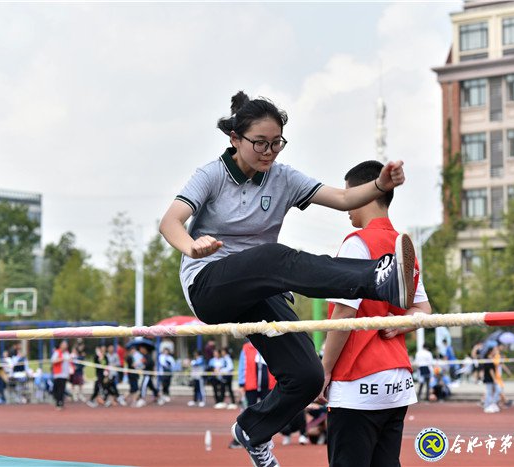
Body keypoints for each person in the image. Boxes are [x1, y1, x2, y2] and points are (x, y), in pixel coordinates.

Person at [159, 92, 414, 467]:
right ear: (235, 139)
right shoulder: (211, 175)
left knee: (307, 375)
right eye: (260, 143)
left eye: (276, 143)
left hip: (261, 287)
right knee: (273, 258)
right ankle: (377, 279)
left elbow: (343, 197)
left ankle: (253, 430)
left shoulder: (283, 177)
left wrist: (380, 185)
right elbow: (170, 222)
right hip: (211, 284)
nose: (269, 152)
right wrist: (192, 246)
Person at [318, 160, 431, 467]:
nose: (346, 207)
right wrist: (399, 325)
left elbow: (344, 316)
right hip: (397, 385)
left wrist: (324, 371)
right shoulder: (401, 244)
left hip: (357, 380)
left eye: (348, 196)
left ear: (364, 193)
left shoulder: (356, 244)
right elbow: (423, 310)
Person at [51, 340, 71, 410]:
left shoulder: (67, 353)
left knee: (62, 389)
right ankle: (58, 401)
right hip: (58, 374)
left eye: (66, 344)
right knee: (56, 389)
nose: (65, 346)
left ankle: (60, 403)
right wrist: (61, 359)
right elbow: (53, 361)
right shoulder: (57, 352)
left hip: (64, 374)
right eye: (63, 344)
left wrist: (69, 372)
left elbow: (69, 362)